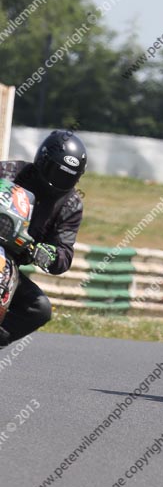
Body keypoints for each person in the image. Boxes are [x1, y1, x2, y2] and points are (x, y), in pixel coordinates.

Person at [0, 129, 87, 347]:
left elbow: (64, 254)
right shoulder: (8, 172)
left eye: (69, 177)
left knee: (39, 309)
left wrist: (48, 255)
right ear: (42, 160)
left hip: (11, 266)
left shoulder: (71, 204)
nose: (61, 182)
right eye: (57, 173)